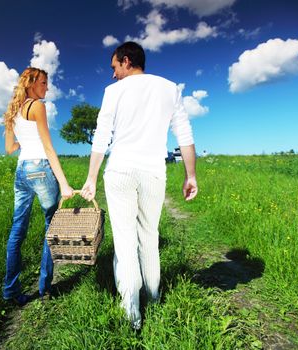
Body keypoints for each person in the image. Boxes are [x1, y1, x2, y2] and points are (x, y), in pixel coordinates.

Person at [80, 42, 198, 329]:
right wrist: (190, 175)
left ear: (127, 60)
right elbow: (184, 133)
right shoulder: (170, 88)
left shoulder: (113, 92)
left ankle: (132, 314)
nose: (112, 74)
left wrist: (91, 178)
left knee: (124, 242)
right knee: (149, 237)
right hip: (153, 173)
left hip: (120, 171)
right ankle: (155, 300)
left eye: (114, 67)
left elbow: (102, 136)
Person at [3, 67, 74, 305]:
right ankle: (45, 288)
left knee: (17, 230)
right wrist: (64, 183)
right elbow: (48, 147)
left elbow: (9, 148)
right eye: (43, 83)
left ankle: (11, 291)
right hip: (41, 168)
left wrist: (24, 142)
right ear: (31, 84)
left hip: (22, 171)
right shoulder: (37, 106)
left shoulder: (12, 111)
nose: (47, 87)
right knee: (51, 227)